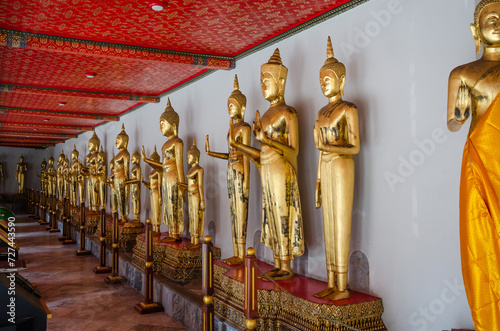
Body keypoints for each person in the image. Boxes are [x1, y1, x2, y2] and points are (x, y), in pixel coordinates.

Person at [447, 0, 500, 327]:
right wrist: (460, 113)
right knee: (480, 242)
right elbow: (453, 123)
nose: (496, 22)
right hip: (479, 166)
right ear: (474, 29)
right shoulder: (463, 73)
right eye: (490, 17)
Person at [229, 49, 304, 281]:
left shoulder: (288, 113)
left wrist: (265, 139)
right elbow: (261, 154)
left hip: (282, 170)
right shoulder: (266, 115)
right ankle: (278, 262)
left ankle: (287, 266)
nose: (263, 86)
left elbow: (294, 151)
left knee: (283, 213)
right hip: (267, 169)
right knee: (270, 214)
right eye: (261, 82)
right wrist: (239, 146)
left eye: (267, 81)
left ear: (280, 82)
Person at [313, 37, 360, 301]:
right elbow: (320, 149)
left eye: (328, 78)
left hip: (342, 166)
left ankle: (342, 286)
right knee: (328, 225)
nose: (323, 83)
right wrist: (318, 181)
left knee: (340, 224)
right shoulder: (321, 112)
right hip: (327, 167)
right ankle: (330, 280)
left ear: (341, 81)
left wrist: (332, 150)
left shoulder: (347, 108)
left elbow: (354, 147)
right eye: (321, 80)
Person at [206, 74, 251, 265]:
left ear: (242, 107)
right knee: (233, 212)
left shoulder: (245, 128)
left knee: (241, 211)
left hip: (240, 170)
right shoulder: (231, 130)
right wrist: (211, 153)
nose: (229, 109)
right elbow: (229, 153)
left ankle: (242, 254)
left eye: (232, 105)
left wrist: (247, 179)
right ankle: (235, 251)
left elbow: (246, 155)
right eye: (228, 105)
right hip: (230, 169)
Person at [142, 98, 185, 242]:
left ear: (173, 125)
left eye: (162, 124)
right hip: (166, 177)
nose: (160, 127)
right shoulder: (164, 145)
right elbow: (162, 167)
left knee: (174, 204)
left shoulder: (177, 142)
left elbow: (179, 165)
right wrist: (147, 160)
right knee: (167, 205)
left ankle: (175, 233)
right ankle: (171, 232)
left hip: (174, 178)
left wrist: (182, 186)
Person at [180, 139, 205, 249]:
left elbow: (200, 186)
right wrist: (181, 185)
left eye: (189, 157)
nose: (187, 159)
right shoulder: (190, 170)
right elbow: (189, 185)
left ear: (195, 157)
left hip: (196, 195)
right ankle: (192, 240)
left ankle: (196, 241)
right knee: (191, 217)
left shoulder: (199, 169)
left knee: (196, 216)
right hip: (190, 194)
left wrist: (202, 200)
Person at [142, 146, 162, 234]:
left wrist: (160, 196)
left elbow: (159, 185)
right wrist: (144, 182)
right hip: (152, 191)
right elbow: (151, 185)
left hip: (157, 192)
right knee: (153, 210)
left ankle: (157, 228)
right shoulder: (152, 172)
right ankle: (154, 227)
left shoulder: (158, 171)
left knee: (157, 210)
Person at [114, 124, 130, 223]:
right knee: (118, 198)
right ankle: (121, 215)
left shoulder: (125, 154)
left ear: (124, 142)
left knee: (122, 198)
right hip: (116, 178)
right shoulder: (118, 154)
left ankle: (123, 216)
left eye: (118, 140)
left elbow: (126, 168)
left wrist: (127, 180)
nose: (116, 142)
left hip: (121, 179)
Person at [124, 152, 142, 223]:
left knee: (136, 200)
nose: (131, 160)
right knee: (133, 200)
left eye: (133, 158)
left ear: (137, 159)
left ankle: (137, 217)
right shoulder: (134, 167)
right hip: (132, 186)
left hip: (136, 186)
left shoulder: (138, 168)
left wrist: (128, 182)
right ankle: (134, 216)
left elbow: (137, 179)